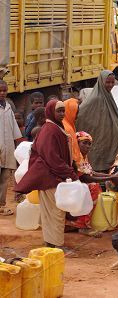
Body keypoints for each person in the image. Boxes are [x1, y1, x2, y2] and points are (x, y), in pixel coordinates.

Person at [15, 100, 78, 250]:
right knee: (56, 213)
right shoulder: (50, 130)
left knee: (50, 212)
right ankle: (57, 245)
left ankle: (51, 243)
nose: (62, 114)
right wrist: (70, 173)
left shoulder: (54, 127)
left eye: (63, 111)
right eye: (59, 111)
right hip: (52, 177)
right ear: (51, 112)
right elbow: (52, 157)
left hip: (51, 177)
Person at [66, 131, 118, 237]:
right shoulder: (75, 158)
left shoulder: (83, 157)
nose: (87, 146)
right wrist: (110, 178)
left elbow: (92, 172)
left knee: (94, 186)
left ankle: (74, 224)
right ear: (77, 143)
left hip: (77, 186)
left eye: (89, 143)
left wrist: (111, 176)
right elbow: (85, 177)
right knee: (94, 187)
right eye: (84, 143)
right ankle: (83, 225)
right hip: (71, 186)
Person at [76, 70, 118, 171]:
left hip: (108, 135)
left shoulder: (108, 95)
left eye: (112, 82)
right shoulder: (95, 98)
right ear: (101, 82)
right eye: (108, 82)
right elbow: (80, 114)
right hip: (99, 135)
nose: (110, 85)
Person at [0, 80, 23, 216]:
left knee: (4, 179)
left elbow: (15, 132)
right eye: (0, 91)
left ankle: (1, 205)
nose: (2, 93)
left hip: (7, 149)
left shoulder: (8, 107)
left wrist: (17, 147)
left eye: (4, 90)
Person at [62, 98, 82, 164]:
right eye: (76, 113)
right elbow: (72, 154)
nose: (77, 116)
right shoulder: (67, 128)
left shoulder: (65, 124)